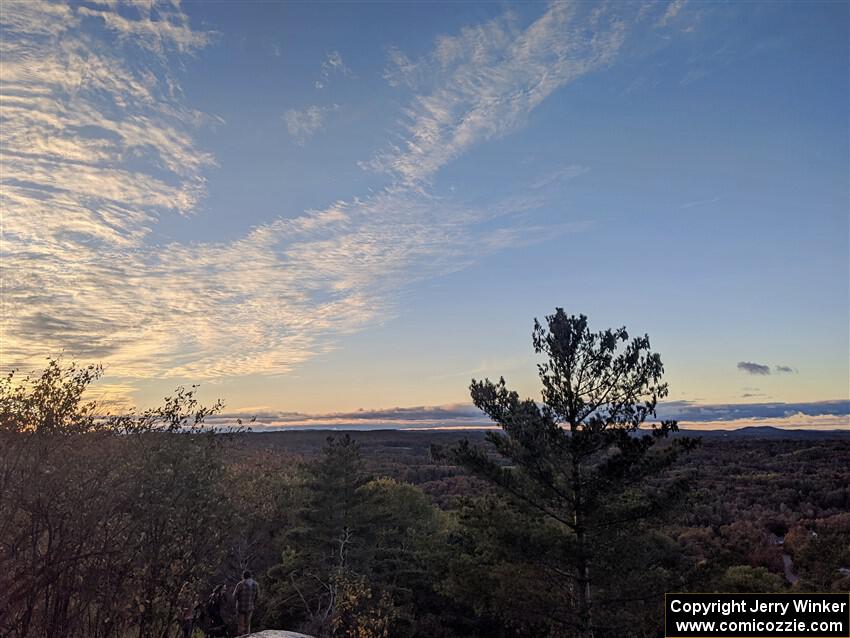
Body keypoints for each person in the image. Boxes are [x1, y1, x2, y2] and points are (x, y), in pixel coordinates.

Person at [233, 570, 259, 635]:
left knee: (241, 625)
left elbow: (234, 595)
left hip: (241, 607)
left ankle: (241, 636)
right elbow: (257, 596)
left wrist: (236, 602)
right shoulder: (255, 584)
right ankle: (247, 635)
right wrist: (253, 603)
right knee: (248, 624)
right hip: (250, 607)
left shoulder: (240, 584)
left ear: (243, 576)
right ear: (250, 576)